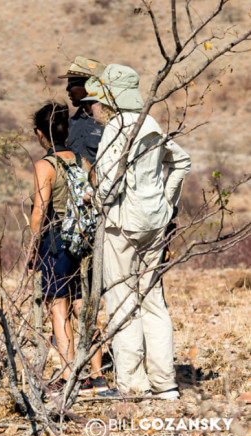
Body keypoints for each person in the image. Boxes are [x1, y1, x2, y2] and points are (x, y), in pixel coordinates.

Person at [83, 64, 191, 399]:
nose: (92, 108)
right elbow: (182, 161)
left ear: (110, 99)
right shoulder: (151, 122)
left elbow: (109, 183)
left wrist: (94, 200)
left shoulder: (117, 127)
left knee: (121, 300)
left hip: (123, 224)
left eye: (95, 101)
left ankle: (132, 384)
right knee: (153, 301)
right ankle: (165, 384)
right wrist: (166, 203)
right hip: (154, 221)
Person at [29, 102, 108, 396]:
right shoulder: (83, 162)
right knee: (83, 306)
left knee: (57, 305)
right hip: (83, 242)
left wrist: (32, 248)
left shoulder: (44, 166)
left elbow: (40, 211)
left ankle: (68, 374)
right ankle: (98, 376)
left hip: (56, 241)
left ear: (41, 133)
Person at [58, 56, 106, 164]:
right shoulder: (74, 120)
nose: (67, 89)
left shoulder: (109, 120)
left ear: (89, 85)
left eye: (72, 83)